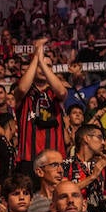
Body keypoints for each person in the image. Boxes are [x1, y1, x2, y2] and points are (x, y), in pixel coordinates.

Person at [14, 38, 68, 167]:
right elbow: (21, 88)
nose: (44, 70)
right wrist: (36, 58)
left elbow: (62, 92)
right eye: (40, 66)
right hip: (28, 158)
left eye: (49, 66)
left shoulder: (55, 91)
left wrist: (41, 62)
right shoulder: (25, 91)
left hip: (55, 158)